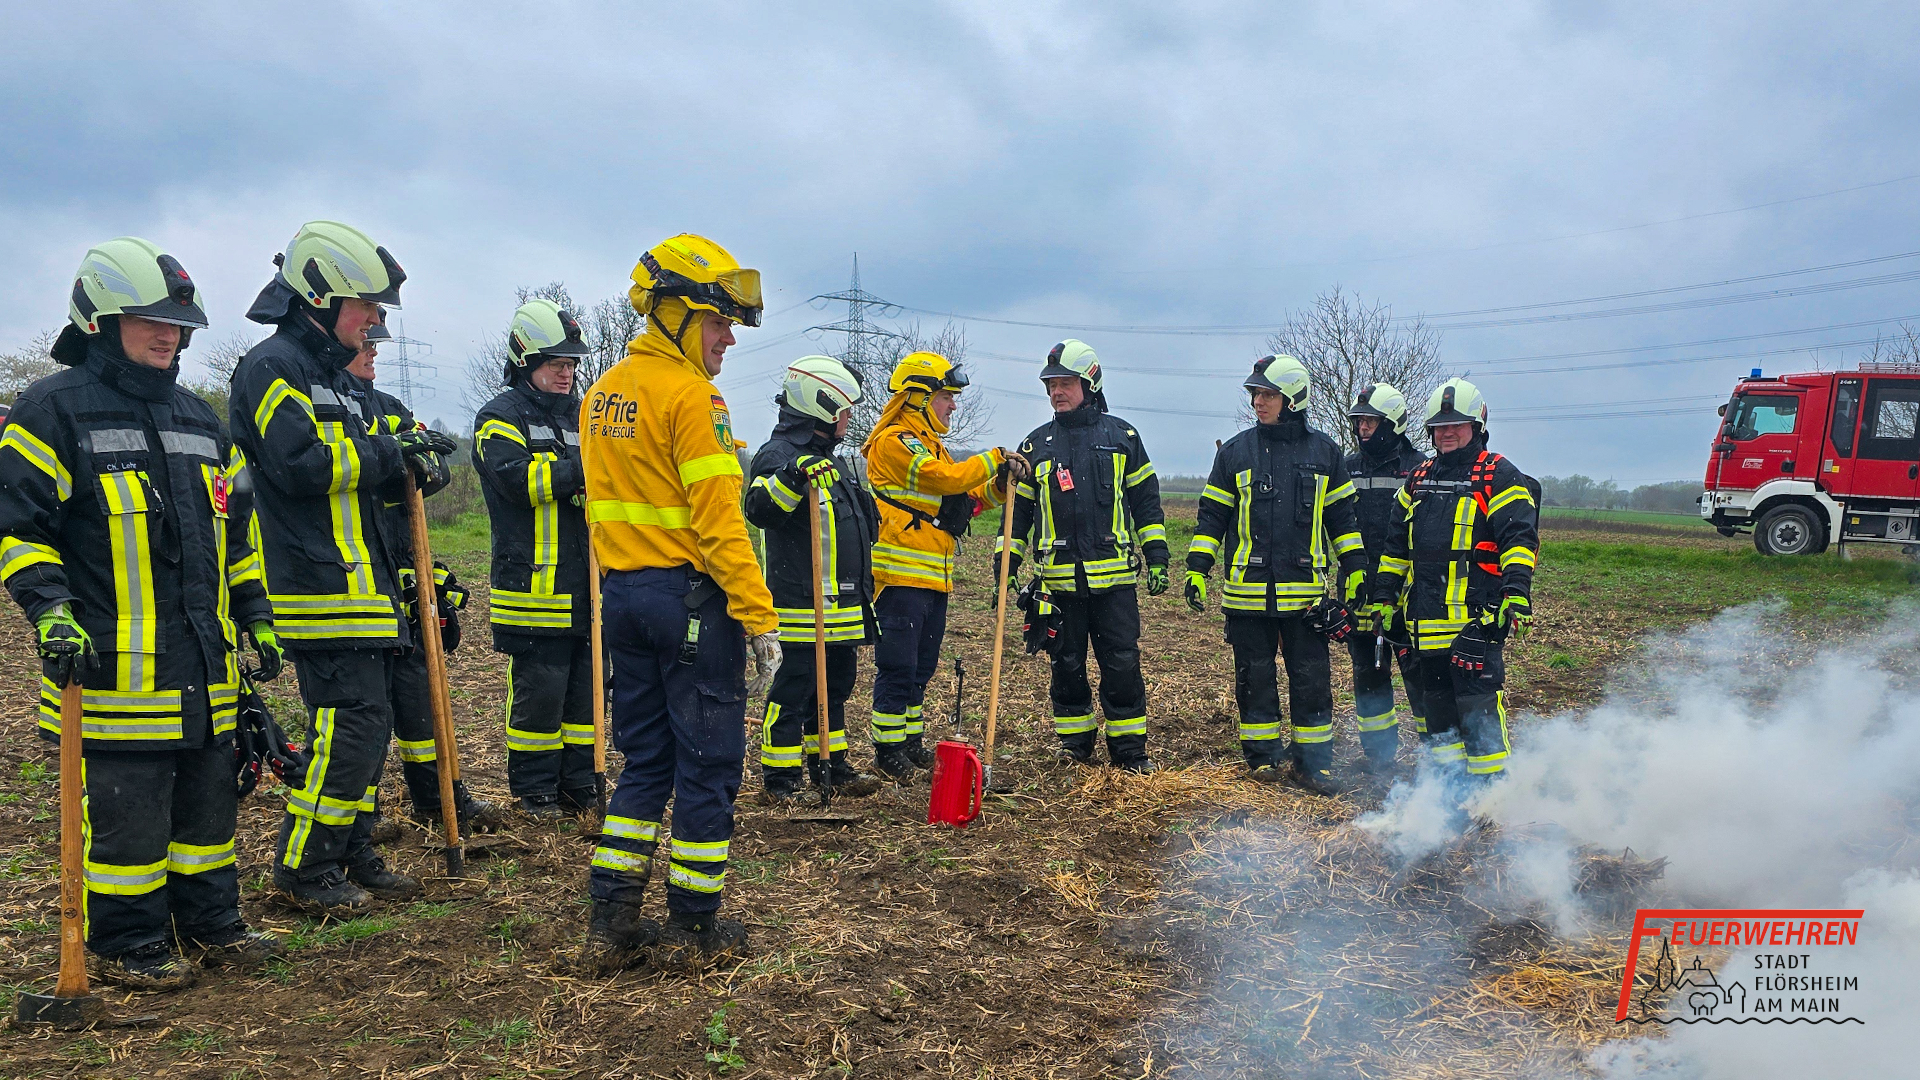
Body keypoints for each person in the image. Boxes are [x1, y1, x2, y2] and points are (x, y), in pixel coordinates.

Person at [0, 237, 284, 987]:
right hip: (113, 672)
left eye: (179, 325)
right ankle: (128, 944)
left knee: (207, 814)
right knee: (129, 820)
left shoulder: (200, 420)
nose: (169, 335)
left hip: (204, 666)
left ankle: (212, 924)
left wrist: (255, 611)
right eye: (151, 320)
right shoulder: (50, 411)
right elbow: (19, 529)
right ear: (98, 320)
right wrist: (50, 610)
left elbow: (236, 536)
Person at [229, 221, 456, 913]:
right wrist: (391, 454)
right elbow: (298, 465)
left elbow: (363, 479)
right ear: (320, 300)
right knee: (347, 731)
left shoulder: (332, 376)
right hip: (318, 589)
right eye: (365, 306)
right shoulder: (272, 368)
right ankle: (305, 865)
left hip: (363, 586)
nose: (374, 321)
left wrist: (411, 460)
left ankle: (352, 849)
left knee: (367, 733)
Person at [578, 234, 779, 969]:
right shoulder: (694, 396)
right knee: (708, 764)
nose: (729, 338)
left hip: (623, 597)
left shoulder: (602, 393)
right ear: (675, 315)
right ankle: (693, 929)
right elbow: (721, 523)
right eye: (718, 322)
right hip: (691, 604)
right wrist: (758, 619)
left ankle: (611, 920)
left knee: (645, 761)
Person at [342, 320, 499, 838]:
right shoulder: (330, 411)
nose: (372, 353)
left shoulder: (387, 407)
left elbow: (436, 465)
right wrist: (391, 460)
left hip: (404, 573)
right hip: (356, 577)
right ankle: (360, 818)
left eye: (375, 346)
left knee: (420, 699)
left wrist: (408, 463)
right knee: (366, 714)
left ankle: (439, 798)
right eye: (365, 345)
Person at [1184, 356, 1368, 792]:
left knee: (1312, 680)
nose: (1258, 402)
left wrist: (1357, 568)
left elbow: (1342, 521)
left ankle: (1313, 764)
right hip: (1247, 594)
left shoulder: (1325, 453)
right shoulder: (1234, 453)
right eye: (1255, 394)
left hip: (1305, 596)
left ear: (1294, 398)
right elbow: (1212, 517)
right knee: (1254, 679)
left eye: (1268, 394)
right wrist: (1197, 568)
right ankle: (1263, 759)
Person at [999, 340, 1166, 772]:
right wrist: (1006, 562)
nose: (1056, 391)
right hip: (1059, 585)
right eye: (1051, 385)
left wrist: (1158, 556)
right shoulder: (1035, 447)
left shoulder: (1124, 438)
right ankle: (1074, 746)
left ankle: (1130, 751)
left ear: (1090, 384)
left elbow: (1147, 505)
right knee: (1066, 666)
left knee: (1122, 664)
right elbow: (1018, 515)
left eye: (1065, 383)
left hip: (1115, 584)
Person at [1365, 378, 1537, 786]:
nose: (1447, 433)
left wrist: (1515, 594)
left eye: (1456, 425)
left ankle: (1492, 798)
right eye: (1440, 426)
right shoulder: (1419, 478)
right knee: (1438, 719)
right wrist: (1385, 597)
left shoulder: (1499, 475)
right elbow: (1395, 547)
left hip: (1475, 624)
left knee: (1478, 715)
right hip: (1425, 626)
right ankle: (1448, 798)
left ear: (1476, 426)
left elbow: (1518, 539)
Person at [862, 351, 1021, 778]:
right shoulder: (893, 442)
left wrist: (1000, 485)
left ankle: (910, 743)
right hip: (900, 577)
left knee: (921, 668)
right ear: (918, 396)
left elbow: (963, 500)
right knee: (898, 668)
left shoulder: (932, 445)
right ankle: (888, 751)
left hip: (933, 578)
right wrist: (994, 457)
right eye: (946, 396)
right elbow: (945, 479)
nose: (952, 405)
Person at [475, 299, 599, 818]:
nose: (566, 373)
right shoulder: (498, 417)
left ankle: (580, 784)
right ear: (525, 361)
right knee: (540, 696)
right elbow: (519, 481)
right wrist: (586, 468)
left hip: (587, 586)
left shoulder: (583, 414)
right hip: (533, 587)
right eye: (556, 364)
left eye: (571, 364)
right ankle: (535, 789)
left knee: (585, 696)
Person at [743, 356, 885, 803]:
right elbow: (759, 510)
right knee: (794, 691)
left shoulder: (831, 461)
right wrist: (792, 477)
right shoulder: (778, 456)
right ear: (820, 405)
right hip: (800, 608)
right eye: (844, 409)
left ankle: (832, 765)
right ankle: (780, 780)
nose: (849, 418)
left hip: (840, 608)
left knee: (834, 689)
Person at [1341, 383, 1429, 774]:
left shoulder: (1420, 469)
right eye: (1359, 421)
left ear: (1393, 423)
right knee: (1369, 675)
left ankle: (1435, 754)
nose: (1362, 428)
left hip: (1406, 594)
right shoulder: (1347, 468)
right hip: (1360, 591)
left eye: (1370, 421)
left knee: (1420, 676)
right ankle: (1379, 757)